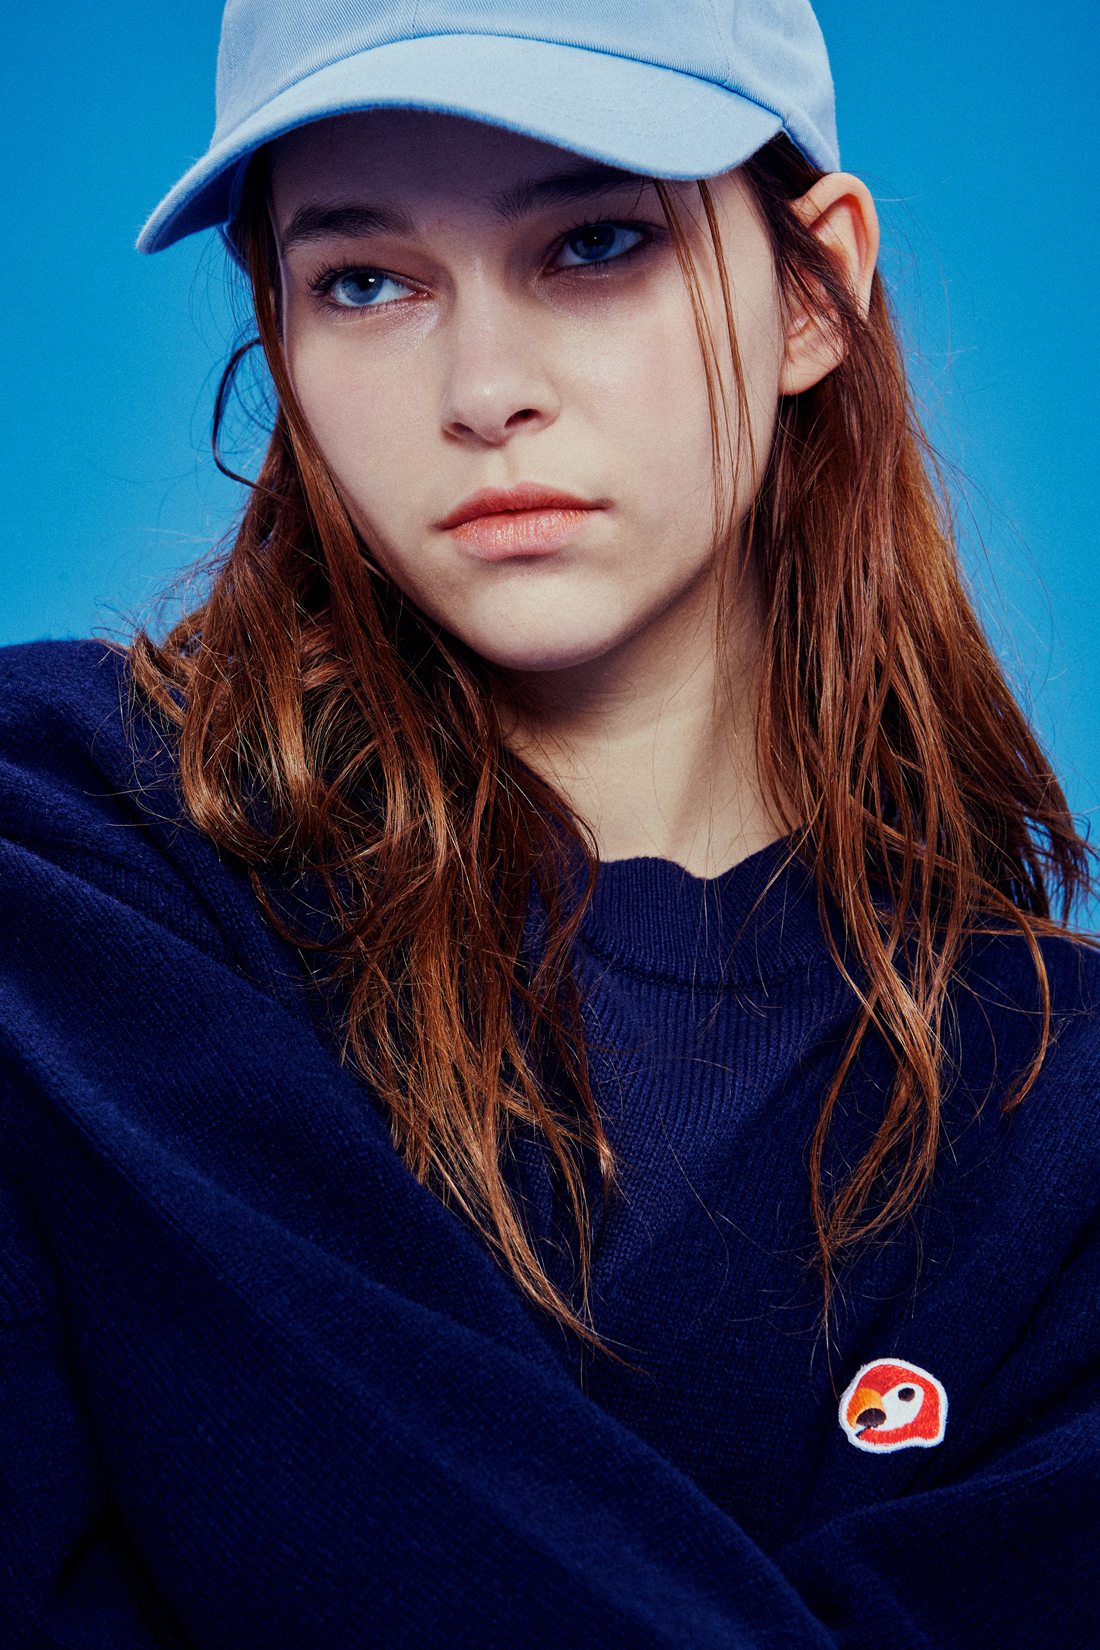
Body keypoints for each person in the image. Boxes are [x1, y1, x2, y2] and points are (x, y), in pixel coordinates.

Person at [1, 0, 1097, 1645]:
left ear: (815, 287)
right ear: (276, 326)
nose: (484, 390)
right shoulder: (68, 848)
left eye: (593, 242)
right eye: (363, 281)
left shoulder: (1060, 1119)